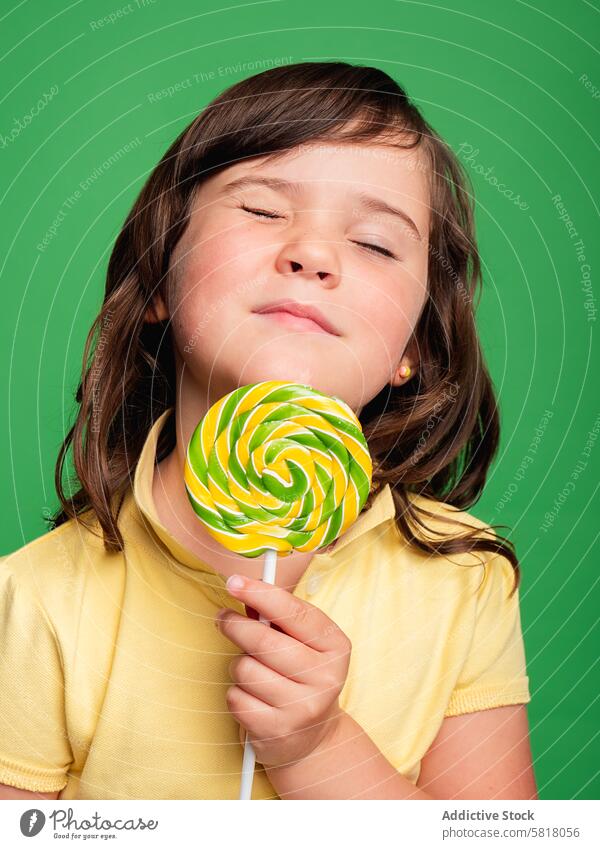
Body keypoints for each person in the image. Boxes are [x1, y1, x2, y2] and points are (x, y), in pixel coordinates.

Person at [0, 61, 537, 800]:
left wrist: (317, 748)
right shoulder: (35, 599)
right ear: (160, 277)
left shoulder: (465, 582)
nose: (313, 255)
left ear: (413, 347)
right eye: (261, 210)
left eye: (376, 243)